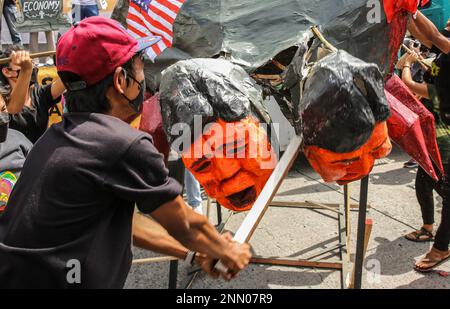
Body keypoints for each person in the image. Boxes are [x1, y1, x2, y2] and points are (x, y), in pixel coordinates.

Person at [0, 17, 251, 288]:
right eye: (141, 69)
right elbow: (186, 224)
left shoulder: (59, 136)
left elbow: (125, 223)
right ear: (121, 80)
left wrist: (192, 253)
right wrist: (226, 249)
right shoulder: (122, 144)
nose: (145, 80)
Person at [402, 10, 450, 272]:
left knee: (443, 190)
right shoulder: (444, 54)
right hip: (439, 129)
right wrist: (407, 13)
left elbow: (431, 33)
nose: (448, 20)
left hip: (446, 134)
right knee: (425, 178)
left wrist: (407, 65)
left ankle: (441, 247)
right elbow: (424, 33)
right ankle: (429, 229)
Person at [0, 46, 66, 143]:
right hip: (17, 156)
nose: (31, 65)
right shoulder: (2, 99)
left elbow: (66, 81)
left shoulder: (39, 94)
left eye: (31, 62)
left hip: (40, 154)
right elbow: (13, 108)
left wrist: (65, 61)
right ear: (7, 72)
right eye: (22, 62)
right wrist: (25, 70)